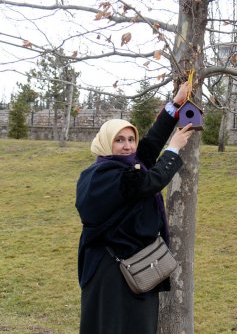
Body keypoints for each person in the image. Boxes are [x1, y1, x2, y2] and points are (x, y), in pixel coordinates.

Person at [75, 82, 195, 333]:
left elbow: (149, 146)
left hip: (135, 265)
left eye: (131, 139)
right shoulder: (103, 175)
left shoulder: (124, 166)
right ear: (107, 143)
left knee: (136, 324)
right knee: (113, 325)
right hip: (112, 271)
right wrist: (173, 148)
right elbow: (149, 183)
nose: (128, 145)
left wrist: (175, 104)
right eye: (119, 140)